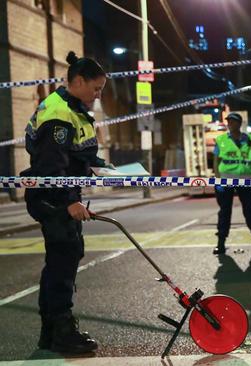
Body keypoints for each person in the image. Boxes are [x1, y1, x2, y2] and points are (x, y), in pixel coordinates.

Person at [20, 51, 110, 354]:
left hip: (58, 194)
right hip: (53, 198)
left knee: (61, 259)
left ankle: (50, 332)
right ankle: (61, 332)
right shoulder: (59, 114)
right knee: (63, 259)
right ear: (79, 81)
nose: (98, 95)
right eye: (96, 89)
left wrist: (100, 166)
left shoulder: (72, 108)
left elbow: (74, 154)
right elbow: (51, 166)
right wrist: (71, 201)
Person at [213, 112, 251, 254]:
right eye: (228, 121)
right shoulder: (220, 139)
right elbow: (216, 161)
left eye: (232, 121)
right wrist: (217, 181)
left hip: (245, 181)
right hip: (226, 180)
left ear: (239, 124)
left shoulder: (250, 140)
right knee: (224, 212)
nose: (229, 124)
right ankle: (220, 244)